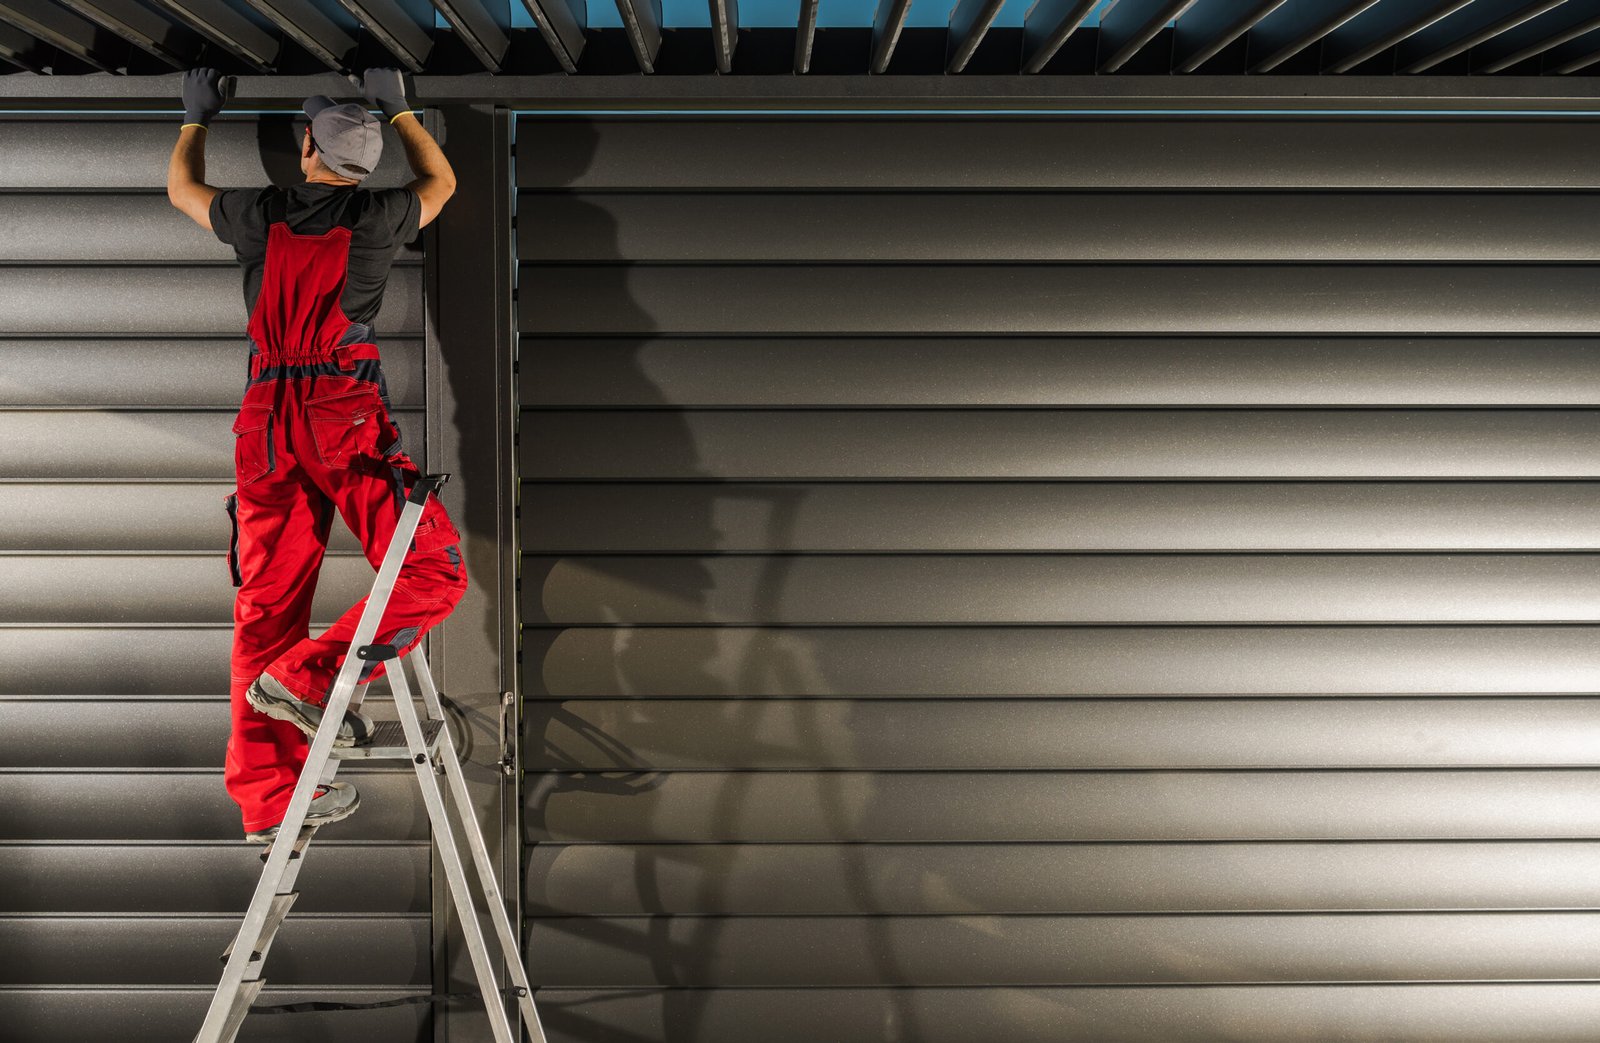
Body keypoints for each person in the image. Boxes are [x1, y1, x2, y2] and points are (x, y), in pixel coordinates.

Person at [166, 67, 468, 844]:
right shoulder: (380, 217)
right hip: (342, 417)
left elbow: (181, 190)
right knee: (433, 570)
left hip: (265, 423)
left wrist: (197, 118)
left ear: (306, 145)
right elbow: (443, 179)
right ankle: (307, 677)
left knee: (265, 612)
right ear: (365, 165)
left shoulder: (258, 213)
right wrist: (402, 108)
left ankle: (268, 800)